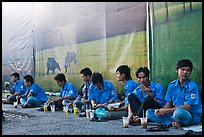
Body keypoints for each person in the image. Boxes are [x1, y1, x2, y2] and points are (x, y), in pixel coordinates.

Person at [146, 59, 202, 128]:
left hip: (189, 115)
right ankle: (172, 123)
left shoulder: (192, 86)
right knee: (149, 113)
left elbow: (187, 107)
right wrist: (161, 111)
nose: (185, 72)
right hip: (174, 113)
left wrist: (166, 111)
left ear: (190, 72)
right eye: (182, 69)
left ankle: (175, 122)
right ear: (177, 70)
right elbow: (168, 103)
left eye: (188, 70)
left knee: (178, 112)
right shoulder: (172, 85)